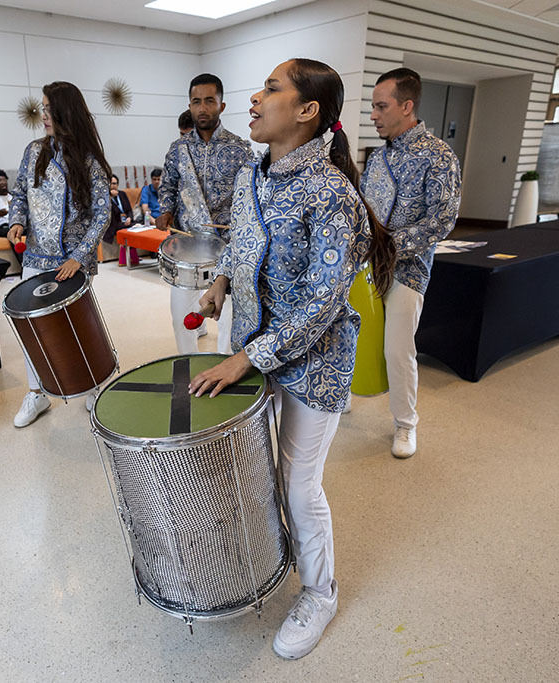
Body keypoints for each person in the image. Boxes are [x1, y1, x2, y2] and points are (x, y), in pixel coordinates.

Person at [189, 58, 395, 660]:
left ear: (307, 111)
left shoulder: (333, 195)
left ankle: (320, 592)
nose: (254, 99)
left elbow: (321, 303)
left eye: (271, 89)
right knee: (257, 468)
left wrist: (245, 359)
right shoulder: (253, 174)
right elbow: (241, 240)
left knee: (299, 484)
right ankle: (272, 555)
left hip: (313, 363)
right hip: (255, 351)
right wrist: (223, 281)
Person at [362, 67, 461, 458]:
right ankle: (347, 394)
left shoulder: (439, 156)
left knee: (398, 349)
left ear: (406, 106)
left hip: (408, 268)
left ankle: (405, 424)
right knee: (357, 336)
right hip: (366, 266)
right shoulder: (377, 157)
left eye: (381, 107)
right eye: (372, 107)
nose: (373, 115)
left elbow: (443, 219)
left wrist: (388, 247)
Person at [7, 81, 112, 427]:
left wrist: (79, 257)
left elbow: (102, 214)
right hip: (36, 257)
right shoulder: (33, 151)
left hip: (73, 261)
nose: (44, 115)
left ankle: (94, 385)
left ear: (67, 112)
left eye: (50, 109)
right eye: (43, 108)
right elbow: (19, 194)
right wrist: (17, 221)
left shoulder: (89, 160)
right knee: (32, 327)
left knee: (78, 326)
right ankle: (36, 393)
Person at [156, 73, 252, 356]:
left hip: (228, 246)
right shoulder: (178, 149)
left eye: (209, 101)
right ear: (190, 105)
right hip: (188, 244)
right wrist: (166, 210)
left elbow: (250, 196)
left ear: (222, 105)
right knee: (181, 317)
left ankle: (224, 366)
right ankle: (189, 363)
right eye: (196, 102)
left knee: (229, 318)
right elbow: (168, 185)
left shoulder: (241, 149)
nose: (203, 108)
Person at [102, 173, 137, 266]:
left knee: (136, 227)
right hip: (113, 224)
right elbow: (105, 213)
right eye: (110, 183)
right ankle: (125, 259)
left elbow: (129, 210)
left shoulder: (122, 194)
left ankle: (133, 257)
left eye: (114, 183)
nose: (113, 186)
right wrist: (110, 197)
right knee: (128, 229)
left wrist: (129, 218)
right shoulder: (104, 197)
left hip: (125, 222)